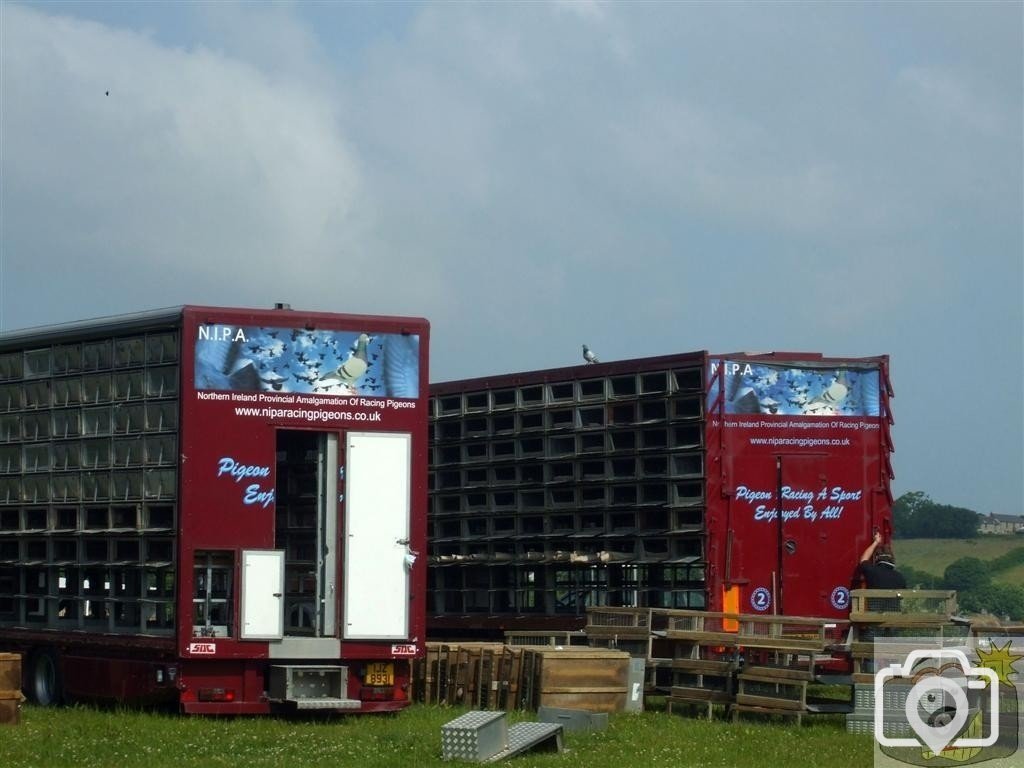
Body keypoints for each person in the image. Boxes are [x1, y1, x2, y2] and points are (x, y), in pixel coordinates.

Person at [855, 531, 906, 613]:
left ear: (877, 558)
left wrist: (876, 542)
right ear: (892, 559)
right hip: (893, 618)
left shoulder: (872, 572)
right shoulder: (900, 577)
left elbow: (864, 560)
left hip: (874, 619)